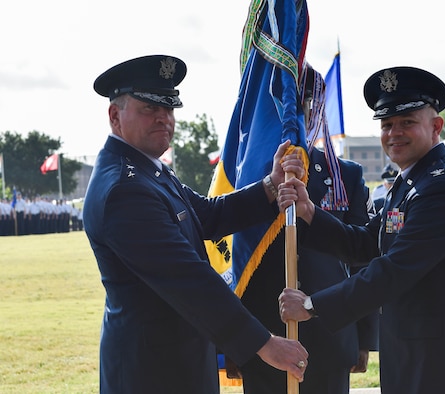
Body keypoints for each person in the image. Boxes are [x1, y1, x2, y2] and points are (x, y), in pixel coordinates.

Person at [83, 55, 308, 394]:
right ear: (116, 116)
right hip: (152, 372)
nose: (164, 118)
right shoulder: (124, 188)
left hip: (178, 360)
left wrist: (271, 185)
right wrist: (265, 343)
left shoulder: (149, 171)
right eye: (149, 109)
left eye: (169, 109)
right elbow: (189, 279)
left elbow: (207, 214)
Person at [277, 66, 445, 394]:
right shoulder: (412, 183)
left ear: (436, 126)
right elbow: (366, 243)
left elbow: (391, 272)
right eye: (387, 124)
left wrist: (313, 306)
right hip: (416, 355)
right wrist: (310, 212)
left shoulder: (442, 191)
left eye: (407, 123)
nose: (394, 133)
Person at [234, 65, 378, 394]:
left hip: (330, 334)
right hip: (263, 338)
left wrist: (364, 338)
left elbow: (362, 259)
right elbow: (235, 257)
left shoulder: (345, 176)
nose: (297, 115)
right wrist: (237, 342)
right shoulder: (247, 180)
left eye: (305, 106)